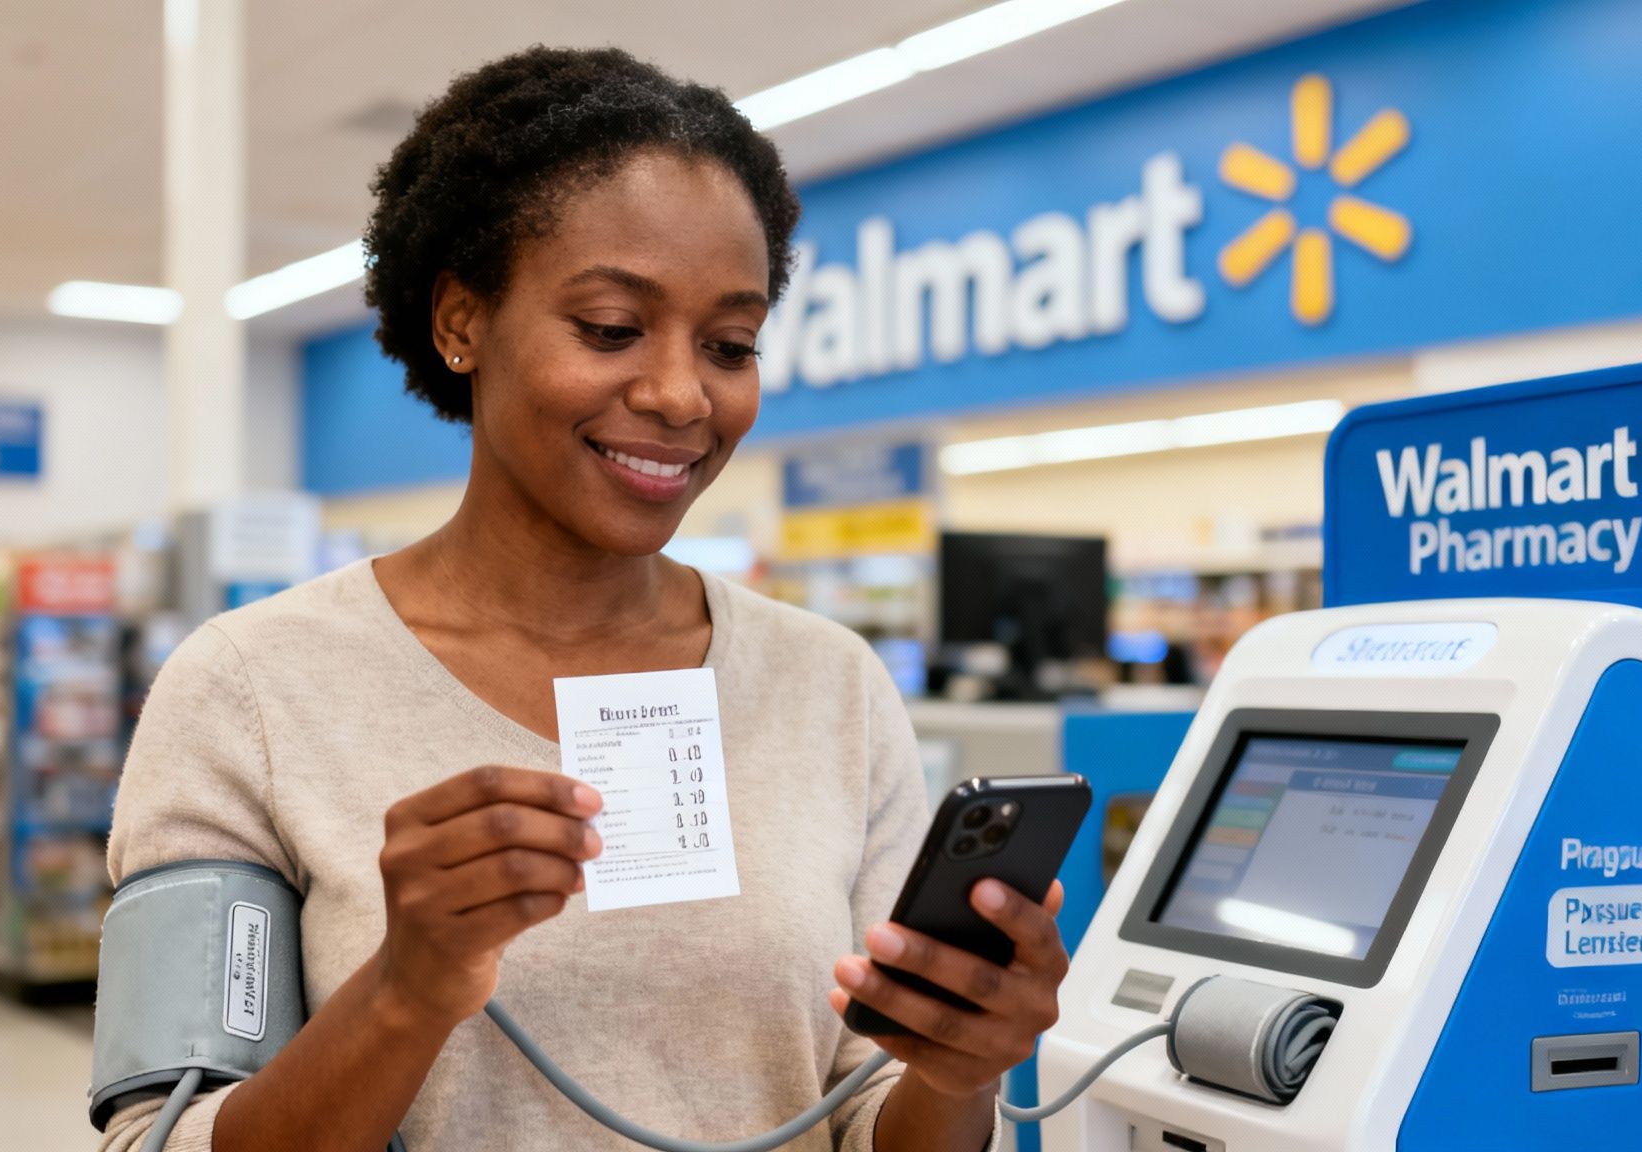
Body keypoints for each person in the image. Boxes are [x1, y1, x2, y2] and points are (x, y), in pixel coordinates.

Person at [99, 46, 1069, 1152]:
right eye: (610, 328)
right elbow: (159, 1139)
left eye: (730, 344)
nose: (677, 394)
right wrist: (405, 991)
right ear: (461, 322)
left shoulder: (827, 686)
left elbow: (865, 1117)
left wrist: (958, 1075)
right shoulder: (252, 688)